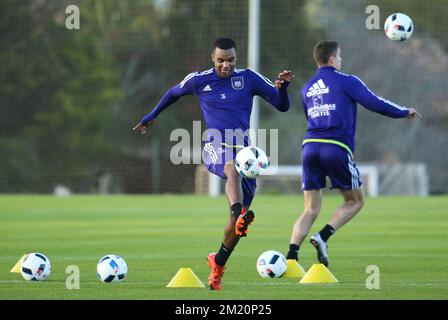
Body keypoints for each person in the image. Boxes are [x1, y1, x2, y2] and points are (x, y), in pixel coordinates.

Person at [133, 37, 294, 290]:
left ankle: (217, 264)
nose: (225, 65)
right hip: (215, 144)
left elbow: (282, 106)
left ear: (236, 58)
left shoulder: (249, 78)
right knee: (231, 170)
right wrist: (151, 116)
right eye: (220, 60)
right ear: (213, 58)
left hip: (244, 151)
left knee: (235, 230)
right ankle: (238, 212)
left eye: (230, 60)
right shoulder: (199, 80)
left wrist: (282, 88)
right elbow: (173, 93)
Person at [286, 40, 421, 267]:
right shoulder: (347, 81)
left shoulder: (307, 87)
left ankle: (291, 258)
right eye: (339, 56)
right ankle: (323, 236)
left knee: (310, 208)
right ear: (331, 59)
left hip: (309, 146)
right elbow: (375, 103)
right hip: (335, 146)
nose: (341, 60)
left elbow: (309, 115)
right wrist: (403, 112)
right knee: (356, 201)